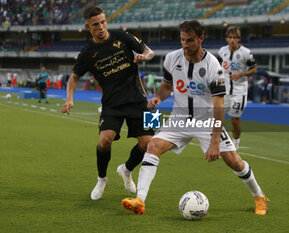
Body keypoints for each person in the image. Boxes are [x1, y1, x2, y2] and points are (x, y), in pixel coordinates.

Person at [121, 20, 268, 216]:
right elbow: (167, 86)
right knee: (152, 146)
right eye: (182, 40)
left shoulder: (213, 66)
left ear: (201, 38)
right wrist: (158, 97)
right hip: (179, 118)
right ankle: (140, 200)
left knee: (234, 161)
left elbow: (218, 107)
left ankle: (259, 196)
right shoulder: (172, 58)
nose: (185, 44)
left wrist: (215, 141)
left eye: (189, 40)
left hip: (206, 120)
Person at [61, 6, 155, 200]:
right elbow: (74, 77)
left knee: (150, 145)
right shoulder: (87, 52)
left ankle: (126, 169)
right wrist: (69, 98)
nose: (101, 27)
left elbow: (149, 51)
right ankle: (102, 179)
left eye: (103, 22)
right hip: (111, 104)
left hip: (140, 100)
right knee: (104, 141)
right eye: (96, 24)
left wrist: (144, 56)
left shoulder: (123, 36)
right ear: (88, 27)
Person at [217, 26, 257, 150]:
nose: (232, 40)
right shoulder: (222, 51)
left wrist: (241, 74)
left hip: (239, 91)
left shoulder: (246, 53)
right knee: (218, 117)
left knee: (235, 120)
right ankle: (219, 141)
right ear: (226, 38)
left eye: (235, 37)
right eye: (230, 37)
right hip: (224, 90)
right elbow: (217, 67)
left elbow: (254, 69)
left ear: (239, 39)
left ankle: (236, 145)